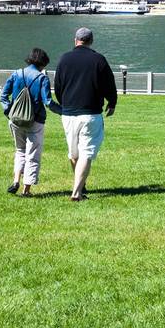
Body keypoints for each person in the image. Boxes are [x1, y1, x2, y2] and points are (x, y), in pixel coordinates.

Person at [52, 27, 117, 201]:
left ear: (76, 40)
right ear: (91, 41)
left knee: (74, 154)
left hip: (68, 113)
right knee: (86, 152)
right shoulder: (98, 60)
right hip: (90, 113)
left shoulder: (64, 59)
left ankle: (79, 187)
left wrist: (64, 103)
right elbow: (109, 84)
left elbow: (58, 86)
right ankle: (77, 192)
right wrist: (112, 103)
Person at [0, 48, 55, 197]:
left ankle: (16, 180)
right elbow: (48, 102)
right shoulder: (42, 78)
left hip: (16, 120)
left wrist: (9, 112)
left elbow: (3, 96)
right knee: (33, 154)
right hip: (35, 121)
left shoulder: (17, 73)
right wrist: (63, 110)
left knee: (20, 150)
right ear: (43, 63)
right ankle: (26, 190)